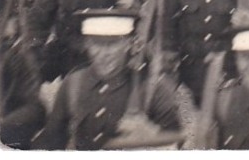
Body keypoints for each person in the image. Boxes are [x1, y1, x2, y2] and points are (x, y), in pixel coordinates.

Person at [31, 9, 181, 150]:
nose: (104, 53)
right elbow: (52, 142)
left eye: (112, 43)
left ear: (128, 43)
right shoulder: (73, 84)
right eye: (97, 43)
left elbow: (179, 145)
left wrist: (153, 135)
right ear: (87, 44)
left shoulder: (152, 89)